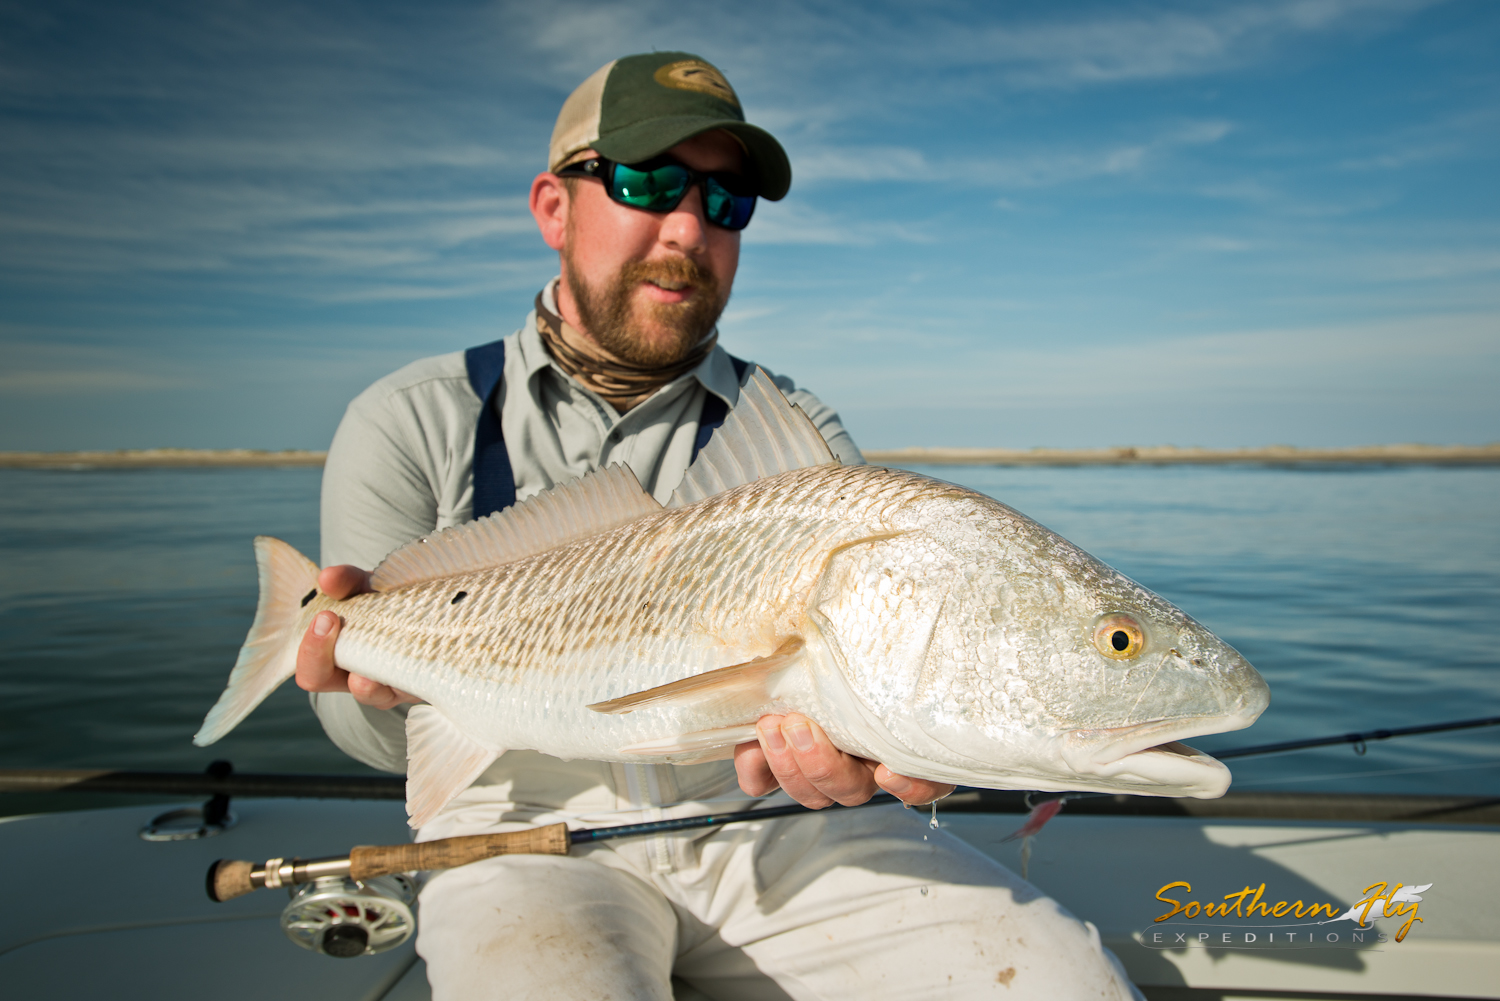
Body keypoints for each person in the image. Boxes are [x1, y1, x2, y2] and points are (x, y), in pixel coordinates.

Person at [295, 51, 1143, 1000]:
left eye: (726, 199)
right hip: (526, 835)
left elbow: (862, 693)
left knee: (1068, 981)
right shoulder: (410, 419)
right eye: (647, 181)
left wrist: (905, 755)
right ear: (553, 208)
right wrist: (386, 692)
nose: (689, 226)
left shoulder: (797, 430)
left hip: (778, 825)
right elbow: (357, 723)